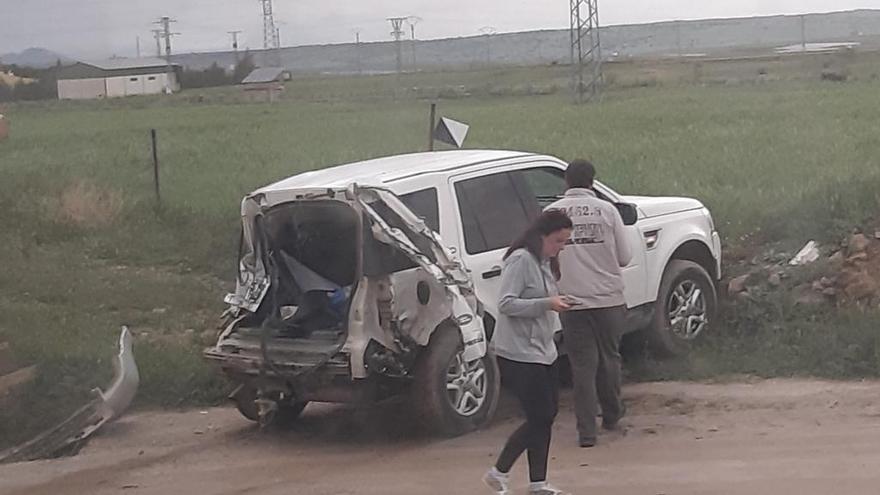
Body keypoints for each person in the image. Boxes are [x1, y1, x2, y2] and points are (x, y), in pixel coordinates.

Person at [483, 210, 573, 495]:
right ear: (542, 236)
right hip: (518, 353)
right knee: (540, 416)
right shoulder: (521, 260)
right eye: (558, 241)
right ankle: (499, 471)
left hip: (543, 348)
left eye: (565, 243)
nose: (561, 248)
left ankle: (538, 482)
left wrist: (555, 309)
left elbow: (544, 300)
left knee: (548, 414)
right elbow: (507, 304)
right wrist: (547, 304)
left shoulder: (545, 262)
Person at [548, 159, 633, 448]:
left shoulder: (551, 213)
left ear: (566, 182)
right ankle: (611, 415)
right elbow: (625, 257)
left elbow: (544, 257)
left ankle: (586, 432)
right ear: (592, 181)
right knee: (609, 358)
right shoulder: (607, 210)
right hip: (608, 298)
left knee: (582, 366)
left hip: (571, 301)